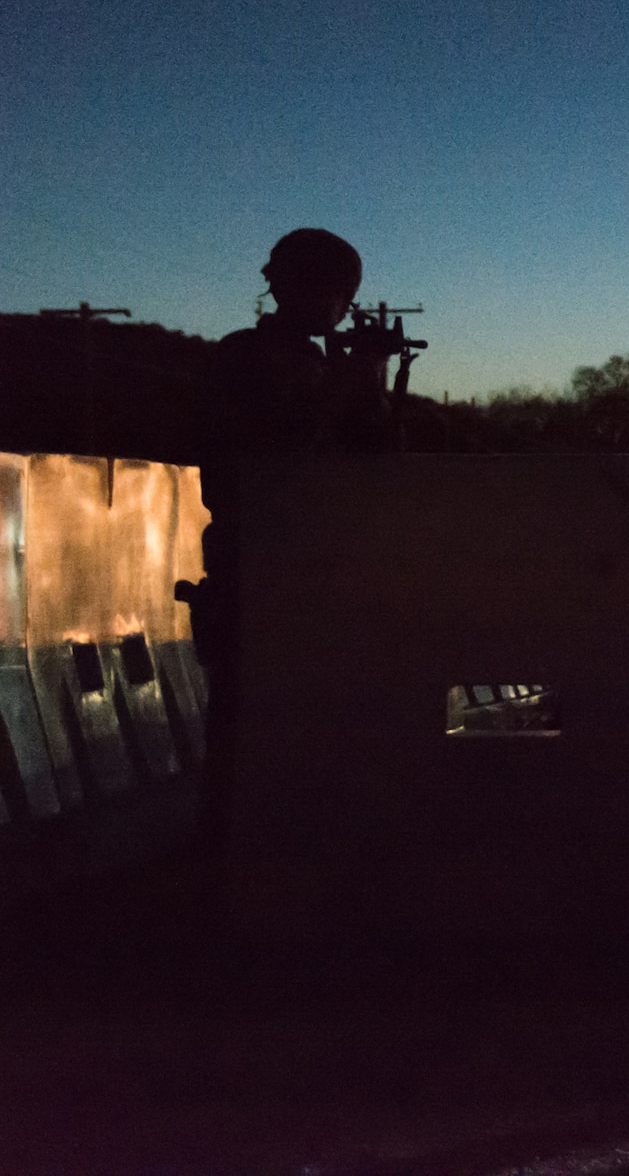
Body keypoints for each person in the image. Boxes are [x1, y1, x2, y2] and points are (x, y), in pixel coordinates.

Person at [181, 229, 394, 849]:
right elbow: (283, 445)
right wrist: (357, 378)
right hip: (261, 566)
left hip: (308, 567)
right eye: (337, 294)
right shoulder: (245, 357)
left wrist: (370, 381)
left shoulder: (307, 363)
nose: (341, 310)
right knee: (248, 728)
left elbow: (368, 459)